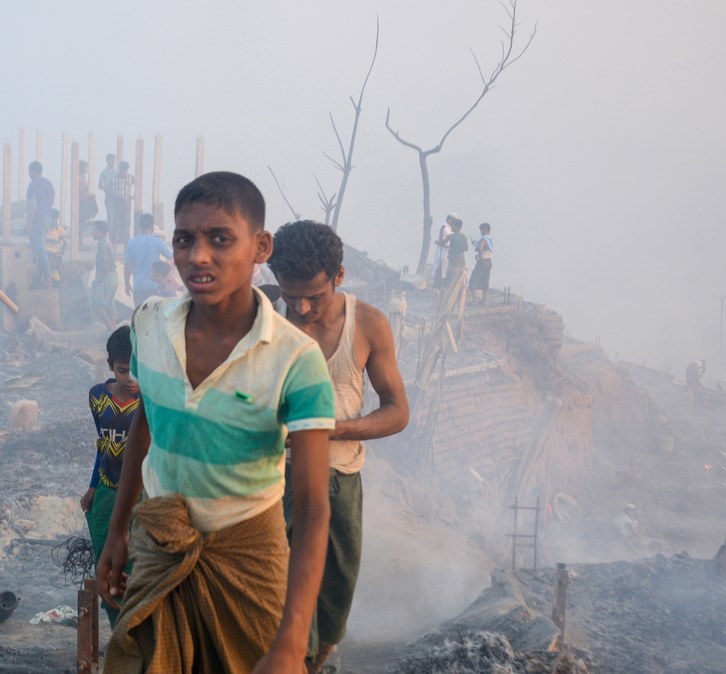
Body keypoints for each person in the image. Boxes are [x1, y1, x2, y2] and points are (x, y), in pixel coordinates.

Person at [98, 171, 336, 674]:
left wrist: (292, 643)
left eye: (220, 239)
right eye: (184, 239)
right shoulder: (149, 323)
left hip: (247, 558)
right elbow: (149, 419)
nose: (197, 256)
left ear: (260, 246)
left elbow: (314, 508)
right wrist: (118, 530)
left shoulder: (297, 359)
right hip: (160, 545)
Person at [267, 220, 410, 673]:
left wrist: (331, 430)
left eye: (315, 296)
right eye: (291, 297)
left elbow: (397, 411)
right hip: (272, 476)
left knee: (333, 603)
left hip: (340, 478)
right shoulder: (264, 317)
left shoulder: (368, 324)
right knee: (283, 595)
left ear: (340, 276)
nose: (302, 308)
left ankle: (317, 656)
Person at [82, 326, 140, 627]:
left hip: (141, 494)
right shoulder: (98, 398)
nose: (129, 379)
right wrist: (93, 486)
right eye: (122, 371)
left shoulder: (151, 401)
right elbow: (103, 445)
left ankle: (138, 625)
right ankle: (119, 628)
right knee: (108, 563)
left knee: (139, 563)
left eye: (136, 371)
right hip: (107, 492)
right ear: (109, 366)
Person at [122, 214, 173, 307]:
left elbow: (127, 266)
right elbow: (172, 255)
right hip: (153, 286)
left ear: (139, 226)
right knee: (153, 316)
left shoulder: (132, 243)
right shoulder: (157, 242)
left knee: (140, 317)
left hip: (138, 287)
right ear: (152, 226)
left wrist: (126, 284)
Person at [26, 161, 56, 288]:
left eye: (29, 172)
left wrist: (29, 223)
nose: (29, 174)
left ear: (33, 171)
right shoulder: (48, 183)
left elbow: (32, 205)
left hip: (38, 218)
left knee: (40, 248)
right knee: (40, 247)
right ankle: (42, 277)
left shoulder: (32, 185)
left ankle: (48, 277)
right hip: (48, 216)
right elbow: (52, 201)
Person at [89, 220, 119, 329]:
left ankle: (111, 328)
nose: (92, 232)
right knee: (109, 306)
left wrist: (98, 279)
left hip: (108, 277)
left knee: (96, 303)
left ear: (101, 232)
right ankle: (113, 329)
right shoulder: (107, 242)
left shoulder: (103, 245)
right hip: (113, 276)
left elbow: (105, 265)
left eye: (94, 230)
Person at [108, 161, 135, 245]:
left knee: (126, 222)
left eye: (125, 171)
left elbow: (139, 185)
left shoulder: (130, 177)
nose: (124, 173)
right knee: (115, 222)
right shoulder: (114, 177)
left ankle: (126, 242)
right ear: (120, 169)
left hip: (126, 202)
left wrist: (133, 196)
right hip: (116, 202)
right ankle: (113, 241)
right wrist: (112, 196)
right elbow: (108, 188)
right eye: (122, 171)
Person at [470, 222, 495, 303]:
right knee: (485, 280)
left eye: (481, 230)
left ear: (485, 230)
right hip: (489, 262)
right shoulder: (490, 239)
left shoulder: (484, 238)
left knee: (474, 280)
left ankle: (474, 301)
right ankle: (484, 300)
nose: (481, 232)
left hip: (482, 261)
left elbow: (480, 247)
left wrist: (479, 254)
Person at [444, 217, 469, 286]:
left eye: (453, 225)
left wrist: (440, 232)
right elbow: (466, 248)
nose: (451, 227)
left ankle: (448, 294)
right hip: (461, 259)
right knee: (459, 278)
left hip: (453, 259)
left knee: (449, 278)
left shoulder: (450, 236)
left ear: (457, 227)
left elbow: (441, 243)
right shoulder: (464, 236)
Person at [99, 153, 118, 234]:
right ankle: (111, 234)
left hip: (118, 197)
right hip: (109, 197)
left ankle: (117, 234)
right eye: (111, 160)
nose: (113, 162)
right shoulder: (104, 172)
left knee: (117, 216)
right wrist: (106, 187)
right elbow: (100, 185)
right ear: (107, 161)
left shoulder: (117, 171)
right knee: (110, 216)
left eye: (114, 160)